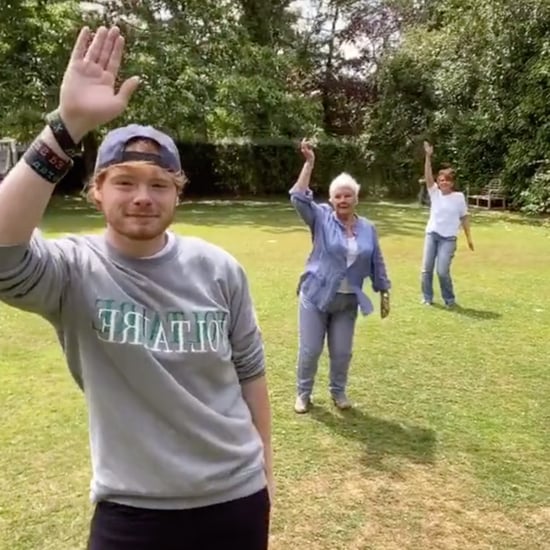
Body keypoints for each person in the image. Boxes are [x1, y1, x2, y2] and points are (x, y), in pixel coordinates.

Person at [0, 26, 273, 550]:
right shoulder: (72, 270)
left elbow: (250, 374)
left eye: (158, 184)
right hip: (132, 513)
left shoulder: (220, 269)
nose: (142, 197)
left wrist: (265, 473)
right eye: (124, 181)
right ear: (96, 192)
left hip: (236, 499)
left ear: (178, 193)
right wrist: (67, 127)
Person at [289, 139, 391, 414]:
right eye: (338, 196)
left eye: (348, 195)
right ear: (331, 199)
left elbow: (376, 258)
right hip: (317, 295)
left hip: (348, 300)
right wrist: (309, 163)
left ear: (356, 198)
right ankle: (303, 393)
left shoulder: (368, 228)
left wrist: (384, 289)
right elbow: (298, 197)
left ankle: (338, 392)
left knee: (342, 352)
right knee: (310, 350)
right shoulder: (321, 217)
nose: (343, 200)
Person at [421, 141, 474, 307]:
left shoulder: (458, 197)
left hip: (448, 239)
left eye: (447, 180)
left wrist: (469, 238)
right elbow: (428, 176)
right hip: (432, 235)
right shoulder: (434, 192)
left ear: (452, 183)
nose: (444, 182)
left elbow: (464, 218)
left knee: (442, 271)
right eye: (441, 180)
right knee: (426, 269)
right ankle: (427, 297)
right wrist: (428, 157)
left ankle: (449, 300)